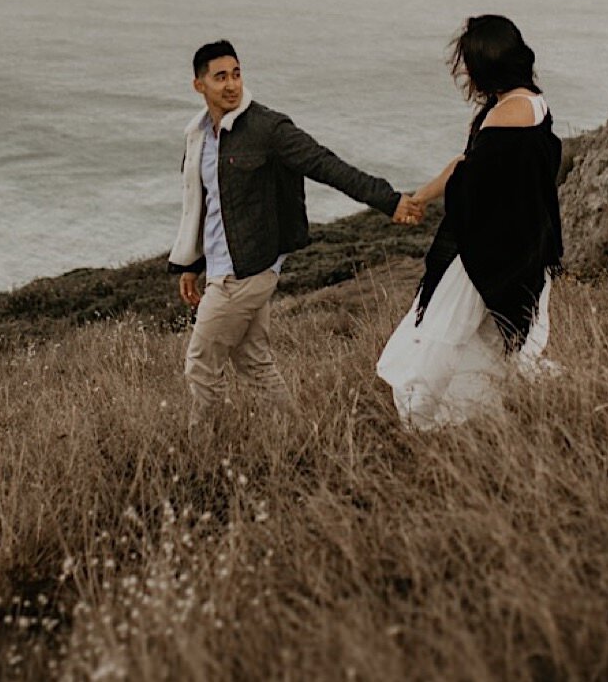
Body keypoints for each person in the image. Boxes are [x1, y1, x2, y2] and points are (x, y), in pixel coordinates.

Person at [167, 40, 421, 416]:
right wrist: (190, 264)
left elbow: (326, 164)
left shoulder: (267, 128)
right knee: (254, 362)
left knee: (201, 365)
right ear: (199, 85)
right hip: (221, 267)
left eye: (236, 74)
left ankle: (203, 453)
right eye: (220, 77)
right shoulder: (199, 136)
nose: (232, 84)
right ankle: (293, 433)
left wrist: (389, 199)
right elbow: (205, 206)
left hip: (249, 270)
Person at [376, 15, 564, 428]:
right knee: (484, 337)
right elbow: (466, 166)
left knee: (446, 332)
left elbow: (469, 179)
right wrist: (419, 198)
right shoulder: (530, 100)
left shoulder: (506, 114)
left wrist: (421, 201)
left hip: (490, 250)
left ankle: (432, 418)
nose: (464, 72)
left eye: (469, 64)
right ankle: (481, 418)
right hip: (517, 243)